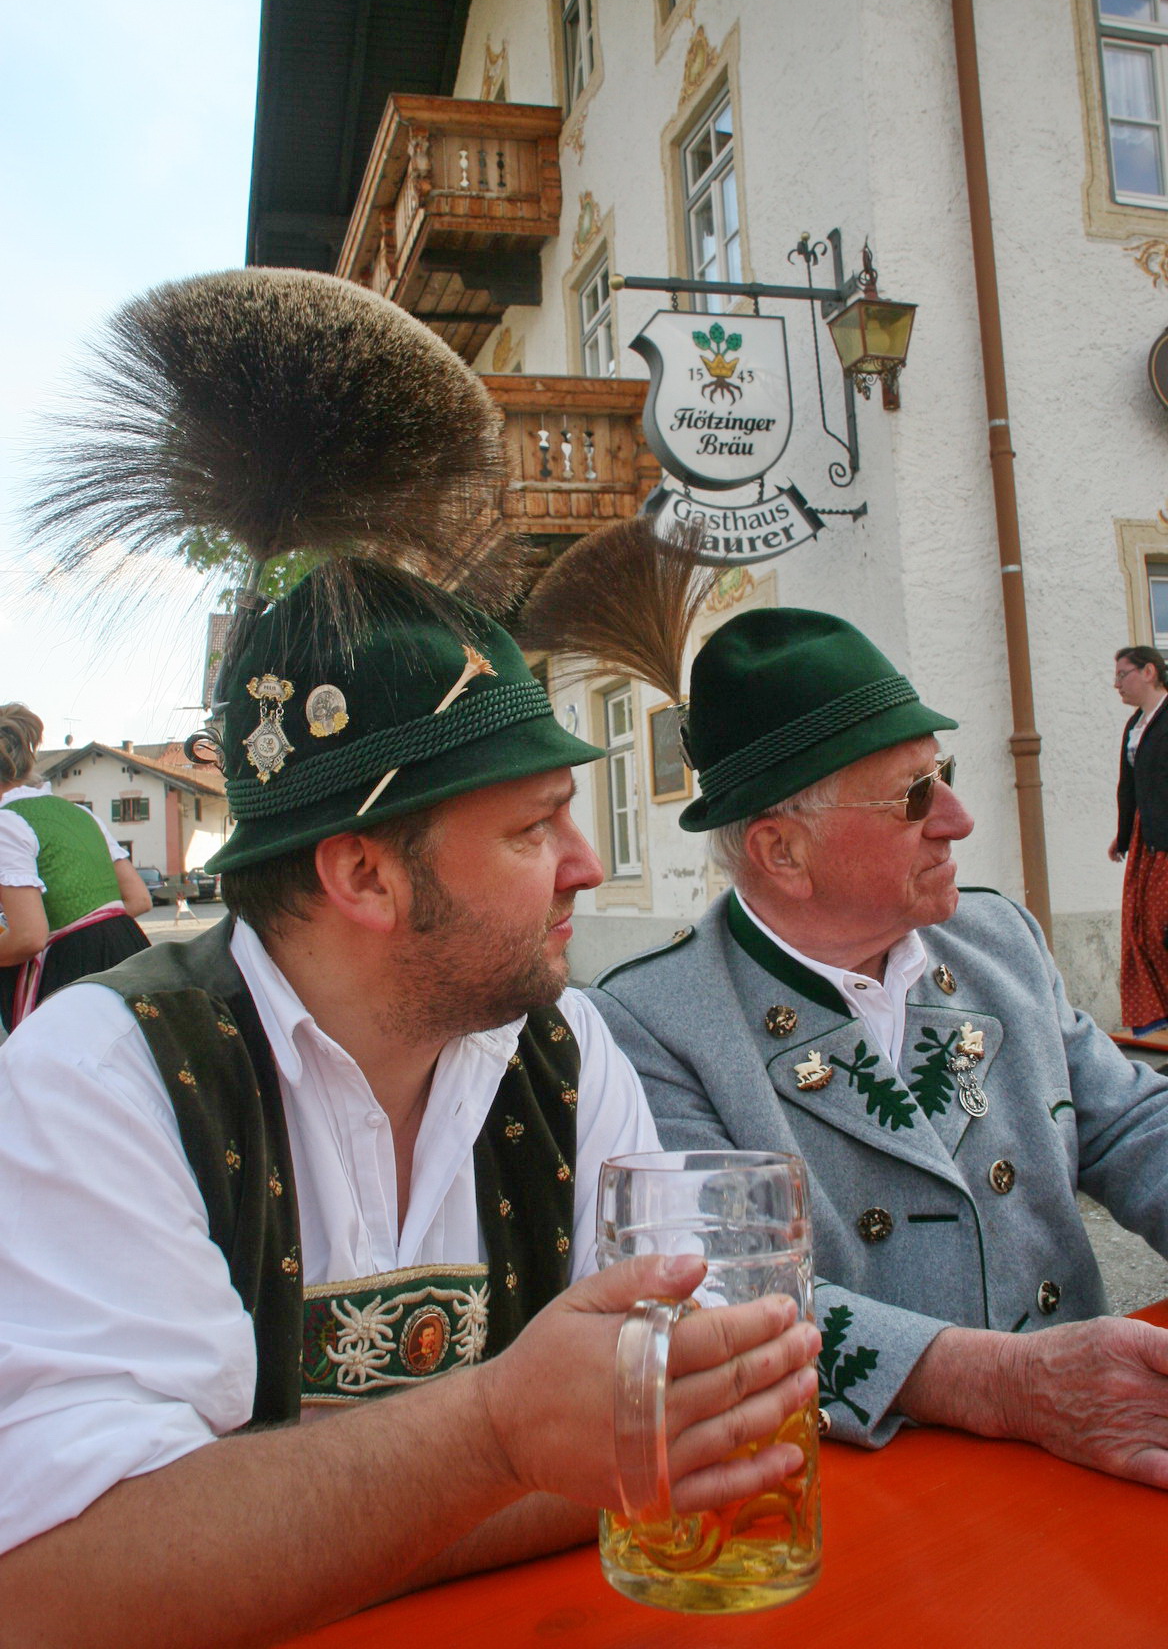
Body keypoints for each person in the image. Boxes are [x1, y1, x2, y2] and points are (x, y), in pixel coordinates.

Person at [0, 271, 822, 1646]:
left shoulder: (564, 1050)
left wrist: (279, 1516)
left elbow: (687, 1433)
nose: (587, 866)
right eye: (533, 827)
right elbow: (55, 1583)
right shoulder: (103, 1075)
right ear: (365, 875)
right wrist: (499, 1436)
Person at [580, 603, 1168, 1487]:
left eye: (945, 775)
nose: (958, 819)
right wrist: (1007, 1384)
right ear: (783, 852)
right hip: (873, 1493)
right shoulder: (654, 1022)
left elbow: (1130, 1124)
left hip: (1094, 1451)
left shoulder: (995, 940)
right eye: (915, 795)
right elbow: (721, 1304)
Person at [0, 703, 151, 1030]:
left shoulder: (6, 823)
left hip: (74, 972)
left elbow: (28, 937)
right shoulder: (79, 813)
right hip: (130, 951)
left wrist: (70, 934)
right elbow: (139, 899)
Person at [1110, 645, 1168, 1035]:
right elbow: (1128, 787)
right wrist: (1122, 836)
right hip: (1147, 839)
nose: (1117, 684)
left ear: (1149, 672)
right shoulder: (1136, 724)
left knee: (1162, 927)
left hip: (1165, 840)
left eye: (1122, 674)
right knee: (1141, 928)